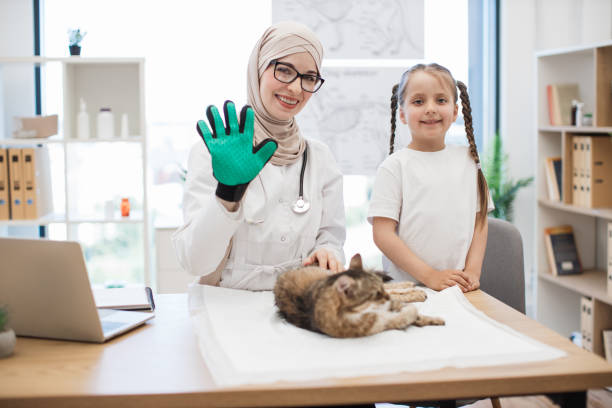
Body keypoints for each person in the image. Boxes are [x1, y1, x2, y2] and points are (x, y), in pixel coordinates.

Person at [172, 21, 346, 291]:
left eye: (309, 77)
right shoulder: (215, 151)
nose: (296, 89)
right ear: (258, 69)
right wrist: (227, 195)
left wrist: (328, 254)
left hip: (297, 305)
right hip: (226, 309)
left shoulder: (319, 158)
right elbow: (195, 262)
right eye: (284, 70)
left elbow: (331, 238)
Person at [368, 63, 493, 292]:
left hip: (457, 289)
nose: (430, 109)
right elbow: (382, 234)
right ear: (403, 114)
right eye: (418, 101)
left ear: (455, 111)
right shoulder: (394, 167)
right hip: (406, 290)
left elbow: (480, 221)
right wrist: (430, 276)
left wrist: (473, 271)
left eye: (441, 100)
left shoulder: (469, 161)